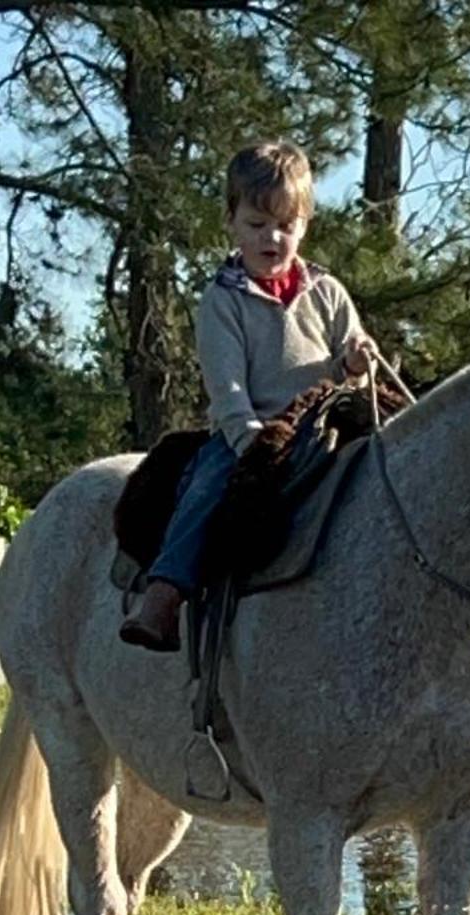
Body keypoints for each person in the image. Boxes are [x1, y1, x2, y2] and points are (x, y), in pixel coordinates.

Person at [121, 138, 375, 651]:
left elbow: (355, 371)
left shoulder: (328, 292)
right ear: (231, 222)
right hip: (250, 435)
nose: (272, 238)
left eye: (286, 225)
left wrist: (356, 364)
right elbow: (228, 388)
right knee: (208, 488)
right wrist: (254, 444)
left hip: (324, 428)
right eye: (257, 225)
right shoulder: (222, 300)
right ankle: (165, 593)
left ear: (305, 225)